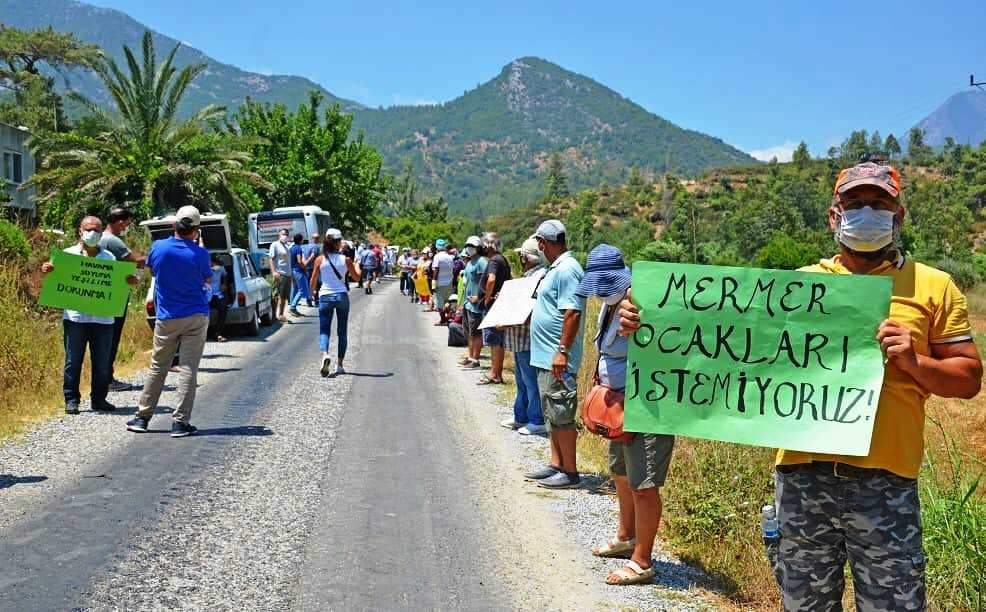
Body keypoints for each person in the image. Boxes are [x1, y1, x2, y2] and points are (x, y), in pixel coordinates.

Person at [619, 162, 983, 610]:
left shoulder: (935, 287)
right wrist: (651, 321)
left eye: (878, 204)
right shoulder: (798, 285)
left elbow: (968, 378)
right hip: (802, 482)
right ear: (834, 216)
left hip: (886, 485)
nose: (865, 213)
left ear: (898, 216)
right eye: (854, 205)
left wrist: (915, 360)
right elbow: (728, 346)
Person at [579, 244, 674, 586]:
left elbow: (669, 336)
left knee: (644, 484)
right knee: (621, 473)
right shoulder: (608, 307)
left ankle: (643, 560)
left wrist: (642, 318)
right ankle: (626, 536)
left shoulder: (643, 303)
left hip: (646, 406)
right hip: (617, 406)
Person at [126, 205, 214, 438]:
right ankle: (180, 422)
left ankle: (142, 417)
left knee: (158, 367)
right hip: (195, 315)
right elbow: (206, 277)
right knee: (187, 369)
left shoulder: (159, 248)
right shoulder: (201, 254)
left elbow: (154, 272)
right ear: (196, 230)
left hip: (166, 317)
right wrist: (197, 246)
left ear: (174, 225)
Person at [41, 216, 137, 414]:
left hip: (103, 319)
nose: (92, 232)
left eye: (96, 229)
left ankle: (99, 399)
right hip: (76, 318)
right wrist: (48, 270)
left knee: (102, 362)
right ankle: (71, 399)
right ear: (80, 231)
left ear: (102, 233)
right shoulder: (66, 256)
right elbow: (55, 280)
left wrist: (128, 280)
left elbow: (119, 283)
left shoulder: (110, 258)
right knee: (73, 360)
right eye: (88, 229)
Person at [526, 219, 585, 489]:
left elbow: (572, 311)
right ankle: (556, 464)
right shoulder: (556, 268)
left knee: (561, 413)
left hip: (556, 357)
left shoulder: (568, 269)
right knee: (552, 413)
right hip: (545, 356)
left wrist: (562, 351)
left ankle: (570, 472)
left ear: (542, 243)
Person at [500, 237, 547, 435]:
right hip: (519, 336)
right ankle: (521, 416)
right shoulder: (531, 276)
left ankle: (536, 419)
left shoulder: (539, 277)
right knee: (521, 380)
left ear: (526, 257)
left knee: (530, 381)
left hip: (527, 337)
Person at [100, 207, 146, 392]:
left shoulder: (101, 239)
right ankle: (108, 379)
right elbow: (139, 260)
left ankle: (103, 377)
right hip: (116, 296)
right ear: (120, 222)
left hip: (103, 296)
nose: (127, 227)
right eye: (127, 224)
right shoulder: (113, 241)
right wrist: (138, 276)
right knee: (112, 337)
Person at [310, 228, 361, 378]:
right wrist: (357, 264)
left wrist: (312, 293)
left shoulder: (320, 259)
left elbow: (313, 280)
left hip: (325, 295)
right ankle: (339, 365)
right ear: (338, 243)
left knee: (324, 330)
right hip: (341, 296)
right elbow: (357, 278)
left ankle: (325, 354)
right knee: (342, 331)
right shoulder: (346, 260)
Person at [478, 232, 512, 385]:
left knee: (494, 341)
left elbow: (491, 279)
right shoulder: (503, 259)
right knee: (498, 340)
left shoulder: (493, 261)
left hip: (493, 305)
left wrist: (486, 298)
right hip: (501, 304)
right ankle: (496, 372)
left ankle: (494, 373)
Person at [460, 236, 487, 370]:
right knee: (469, 332)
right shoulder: (470, 262)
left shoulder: (482, 262)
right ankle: (470, 357)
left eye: (472, 245)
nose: (469, 248)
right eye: (468, 245)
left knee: (476, 333)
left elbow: (486, 280)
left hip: (476, 304)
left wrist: (479, 296)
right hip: (467, 302)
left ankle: (476, 359)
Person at [288, 233, 314, 316]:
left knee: (295, 288)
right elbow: (299, 261)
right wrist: (304, 268)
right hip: (298, 271)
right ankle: (293, 307)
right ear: (300, 240)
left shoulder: (291, 248)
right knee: (301, 290)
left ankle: (293, 307)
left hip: (292, 270)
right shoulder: (298, 248)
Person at [269, 228, 292, 321]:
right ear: (279, 235)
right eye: (283, 234)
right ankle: (274, 315)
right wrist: (274, 272)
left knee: (284, 296)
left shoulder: (287, 246)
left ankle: (281, 314)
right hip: (280, 274)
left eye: (286, 234)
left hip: (288, 274)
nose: (284, 236)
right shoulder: (275, 245)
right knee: (276, 295)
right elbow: (271, 258)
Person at [431, 239, 455, 325]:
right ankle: (448, 318)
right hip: (449, 282)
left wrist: (433, 282)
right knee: (447, 301)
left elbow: (436, 270)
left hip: (440, 283)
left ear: (437, 247)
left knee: (439, 304)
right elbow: (452, 269)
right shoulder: (449, 257)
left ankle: (443, 319)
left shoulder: (437, 257)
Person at [208, 253, 229, 342]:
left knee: (223, 308)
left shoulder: (220, 269)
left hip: (217, 294)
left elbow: (225, 276)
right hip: (205, 295)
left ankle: (218, 333)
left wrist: (224, 283)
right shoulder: (204, 268)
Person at [304, 232, 321, 307]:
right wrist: (306, 263)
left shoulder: (306, 246)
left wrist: (304, 264)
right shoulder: (316, 246)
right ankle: (316, 301)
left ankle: (309, 300)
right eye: (317, 238)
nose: (317, 239)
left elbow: (304, 256)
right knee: (315, 284)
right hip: (313, 268)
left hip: (307, 268)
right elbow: (312, 256)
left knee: (308, 284)